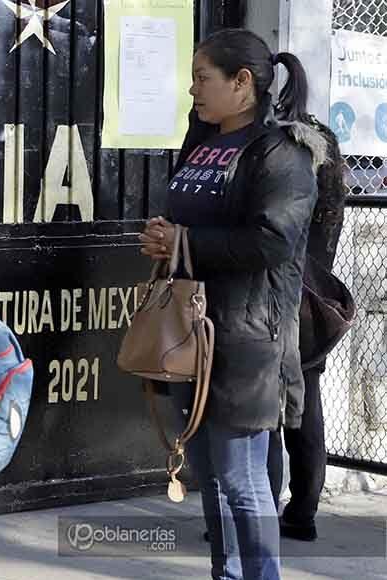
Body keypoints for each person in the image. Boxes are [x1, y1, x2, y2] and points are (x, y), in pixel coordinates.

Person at [139, 29, 327, 580]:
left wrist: (184, 241)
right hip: (188, 333)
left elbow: (272, 240)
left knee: (242, 480)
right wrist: (164, 234)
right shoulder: (202, 142)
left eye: (202, 78)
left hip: (245, 340)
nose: (192, 89)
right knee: (210, 478)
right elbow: (190, 219)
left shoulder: (282, 153)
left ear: (242, 83)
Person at [266, 117, 347, 542]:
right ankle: (302, 513)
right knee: (306, 403)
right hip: (314, 302)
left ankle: (261, 511)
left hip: (279, 296)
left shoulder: (279, 148)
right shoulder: (325, 147)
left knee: (265, 412)